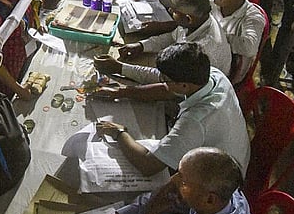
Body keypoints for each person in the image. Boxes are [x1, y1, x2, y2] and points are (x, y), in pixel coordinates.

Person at [93, 43, 250, 175]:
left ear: (183, 85)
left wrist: (119, 132)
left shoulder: (196, 121)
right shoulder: (212, 75)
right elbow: (166, 89)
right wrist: (122, 91)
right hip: (234, 154)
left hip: (221, 179)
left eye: (165, 79)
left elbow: (148, 166)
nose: (162, 81)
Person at [91, 147, 259, 214]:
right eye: (178, 173)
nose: (173, 181)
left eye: (183, 181)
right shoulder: (223, 194)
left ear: (209, 199)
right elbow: (165, 197)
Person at [121, 0, 232, 76]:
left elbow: (167, 80)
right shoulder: (196, 22)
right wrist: (141, 46)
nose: (170, 10)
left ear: (188, 18)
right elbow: (172, 36)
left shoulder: (200, 51)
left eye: (174, 11)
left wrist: (121, 68)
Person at [211, 0, 267, 85]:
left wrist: (214, 35)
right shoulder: (213, 3)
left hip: (229, 73)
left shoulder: (252, 17)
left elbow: (249, 47)